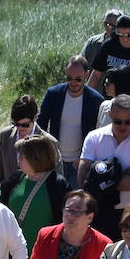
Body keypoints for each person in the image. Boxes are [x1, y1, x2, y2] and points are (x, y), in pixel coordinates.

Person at [78, 94, 130, 241]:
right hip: (96, 209)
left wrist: (98, 178)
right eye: (118, 121)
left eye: (128, 122)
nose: (123, 126)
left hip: (126, 213)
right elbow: (82, 177)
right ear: (110, 115)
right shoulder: (94, 137)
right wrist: (122, 175)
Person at [37, 55, 105, 188]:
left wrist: (85, 156)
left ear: (87, 75)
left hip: (80, 163)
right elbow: (41, 125)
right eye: (69, 78)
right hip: (55, 161)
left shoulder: (96, 100)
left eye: (78, 79)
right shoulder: (53, 94)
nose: (73, 83)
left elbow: (99, 134)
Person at [0, 134, 71, 251]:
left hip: (44, 254)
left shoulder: (58, 184)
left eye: (22, 156)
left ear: (36, 158)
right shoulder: (16, 178)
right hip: (15, 253)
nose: (18, 159)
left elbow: (64, 222)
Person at [0, 94, 54, 185]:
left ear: (35, 117)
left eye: (24, 125)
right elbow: (0, 168)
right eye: (16, 124)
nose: (20, 128)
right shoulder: (5, 135)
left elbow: (56, 179)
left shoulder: (49, 142)